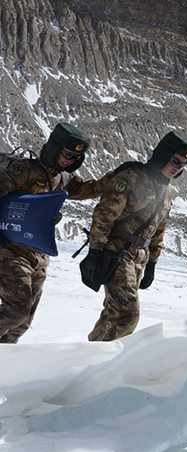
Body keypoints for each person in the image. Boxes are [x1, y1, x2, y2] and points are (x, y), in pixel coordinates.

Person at [80, 130, 187, 341]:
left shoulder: (167, 190)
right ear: (163, 155)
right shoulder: (130, 177)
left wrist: (152, 262)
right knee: (127, 315)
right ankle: (107, 365)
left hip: (139, 258)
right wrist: (95, 251)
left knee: (112, 311)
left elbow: (159, 229)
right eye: (175, 161)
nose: (177, 168)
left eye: (182, 165)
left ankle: (91, 356)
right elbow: (104, 216)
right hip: (117, 253)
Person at [0, 122, 101, 343]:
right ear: (55, 147)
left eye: (74, 158)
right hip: (10, 251)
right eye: (66, 154)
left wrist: (115, 180)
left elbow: (90, 189)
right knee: (17, 310)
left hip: (38, 256)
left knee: (23, 323)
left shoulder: (63, 179)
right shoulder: (23, 170)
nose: (68, 160)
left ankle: (4, 362)